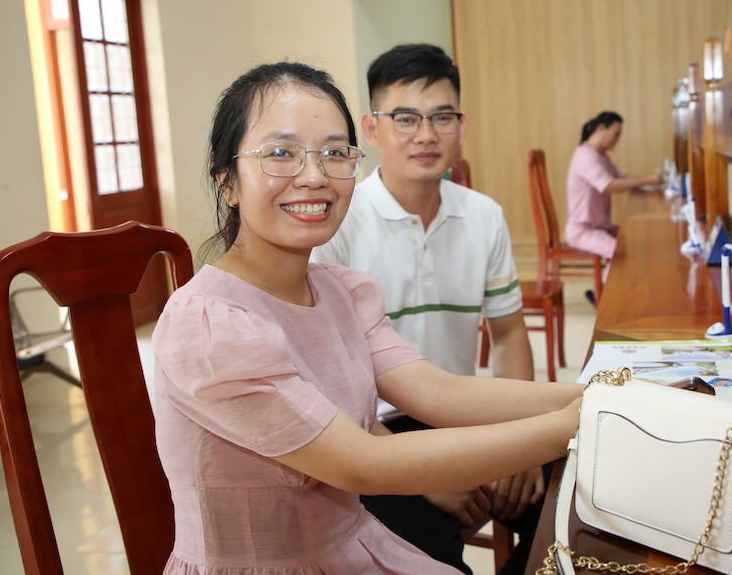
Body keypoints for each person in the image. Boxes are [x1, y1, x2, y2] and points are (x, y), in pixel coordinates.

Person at [152, 61, 583, 574]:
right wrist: (569, 426)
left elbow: (436, 391)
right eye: (281, 154)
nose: (313, 176)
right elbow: (364, 464)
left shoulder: (339, 292)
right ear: (228, 183)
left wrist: (593, 396)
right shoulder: (210, 324)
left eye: (334, 153)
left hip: (351, 546)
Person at [311, 43, 540, 574]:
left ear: (462, 126)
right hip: (374, 432)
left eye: (442, 117)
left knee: (574, 502)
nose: (426, 133)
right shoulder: (341, 223)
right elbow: (325, 380)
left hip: (462, 417)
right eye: (406, 118)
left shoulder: (484, 216)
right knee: (429, 557)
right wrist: (424, 472)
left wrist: (522, 442)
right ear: (371, 130)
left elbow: (507, 336)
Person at [565, 111, 662, 291]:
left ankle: (617, 291)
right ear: (602, 129)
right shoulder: (585, 155)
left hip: (600, 227)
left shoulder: (601, 156)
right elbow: (609, 185)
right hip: (583, 230)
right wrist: (648, 180)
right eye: (616, 134)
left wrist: (651, 184)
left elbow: (623, 179)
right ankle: (606, 298)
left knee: (635, 237)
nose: (617, 139)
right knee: (620, 252)